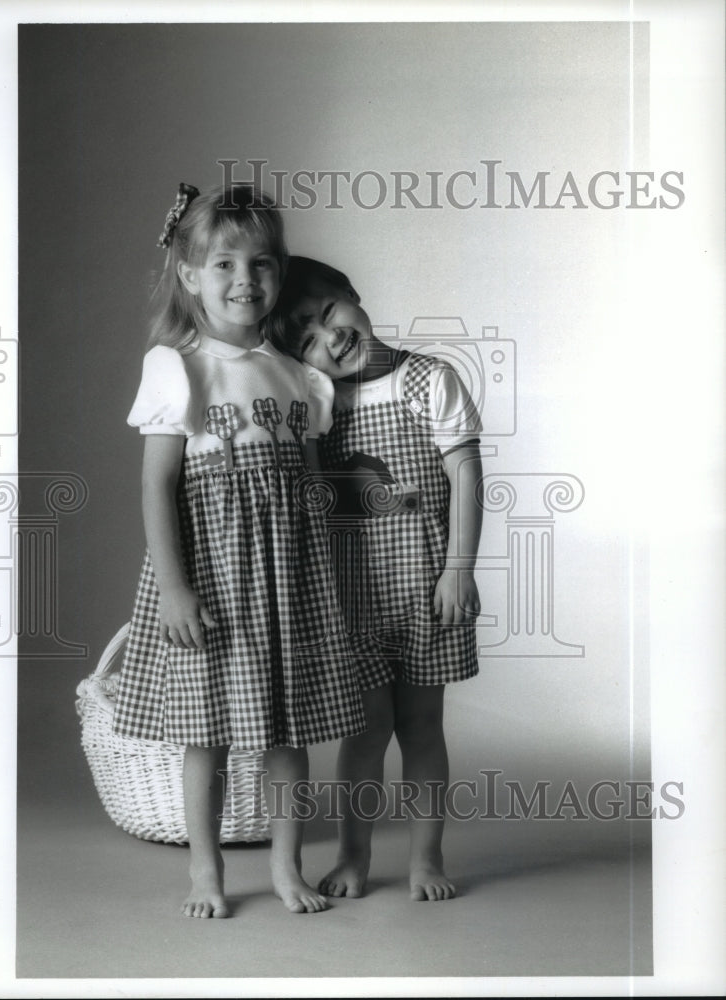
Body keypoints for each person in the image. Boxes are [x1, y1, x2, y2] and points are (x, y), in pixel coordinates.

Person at [112, 190, 365, 918]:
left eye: (260, 263)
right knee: (208, 734)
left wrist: (326, 570)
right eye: (221, 262)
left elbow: (311, 486)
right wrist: (174, 589)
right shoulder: (178, 366)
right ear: (190, 275)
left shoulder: (298, 374)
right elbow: (159, 482)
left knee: (287, 734)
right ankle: (205, 870)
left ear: (278, 276)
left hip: (289, 579)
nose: (242, 278)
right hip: (214, 577)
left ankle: (287, 868)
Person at [270, 256, 483, 902]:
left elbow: (466, 475)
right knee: (363, 732)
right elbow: (310, 491)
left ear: (352, 295)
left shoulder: (428, 379)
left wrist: (458, 568)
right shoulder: (318, 403)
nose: (326, 337)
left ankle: (426, 859)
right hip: (350, 598)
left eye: (326, 314)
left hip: (425, 588)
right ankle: (353, 857)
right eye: (304, 339)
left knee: (420, 728)